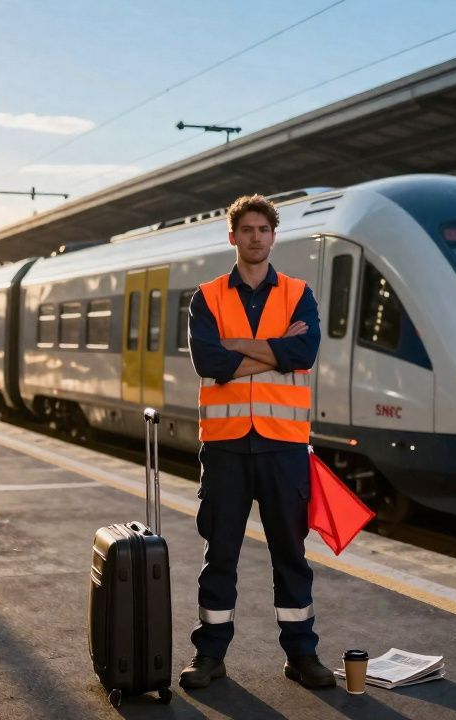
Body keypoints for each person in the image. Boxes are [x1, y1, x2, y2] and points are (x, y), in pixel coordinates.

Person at [179, 194, 328, 691]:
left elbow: (304, 352)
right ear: (232, 237)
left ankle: (302, 655)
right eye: (247, 230)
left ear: (273, 236)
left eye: (264, 229)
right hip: (225, 447)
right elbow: (209, 363)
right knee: (220, 554)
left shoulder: (298, 292)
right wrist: (275, 351)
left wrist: (236, 345)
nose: (256, 237)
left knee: (291, 554)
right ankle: (210, 656)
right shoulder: (207, 296)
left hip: (283, 446)